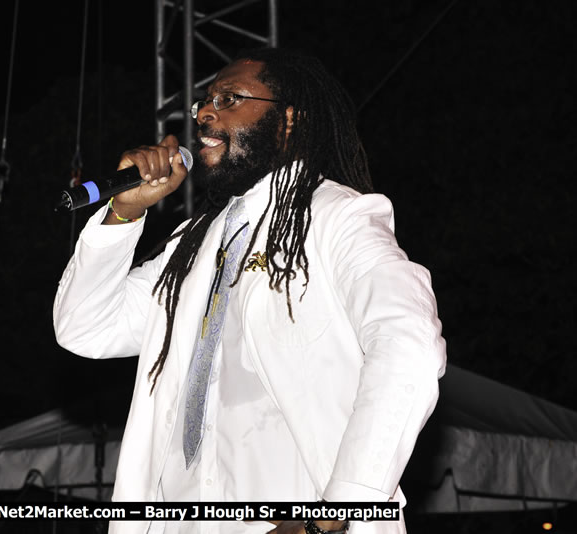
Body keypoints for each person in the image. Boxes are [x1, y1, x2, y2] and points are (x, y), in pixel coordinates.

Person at [53, 48, 446, 534]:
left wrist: (335, 513)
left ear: (288, 121)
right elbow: (85, 328)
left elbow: (408, 345)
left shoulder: (336, 218)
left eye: (229, 98)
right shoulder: (193, 244)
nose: (203, 113)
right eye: (203, 101)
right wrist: (125, 213)